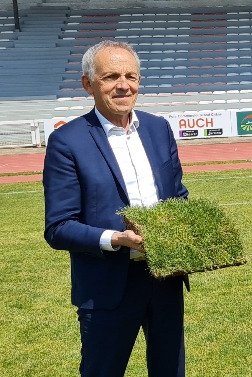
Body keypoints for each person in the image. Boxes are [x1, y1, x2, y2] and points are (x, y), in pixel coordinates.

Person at [43, 40, 189, 376]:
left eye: (130, 76)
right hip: (106, 285)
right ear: (88, 84)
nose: (123, 85)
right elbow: (58, 227)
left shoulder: (158, 128)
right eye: (111, 77)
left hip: (165, 277)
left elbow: (178, 196)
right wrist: (116, 239)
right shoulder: (68, 141)